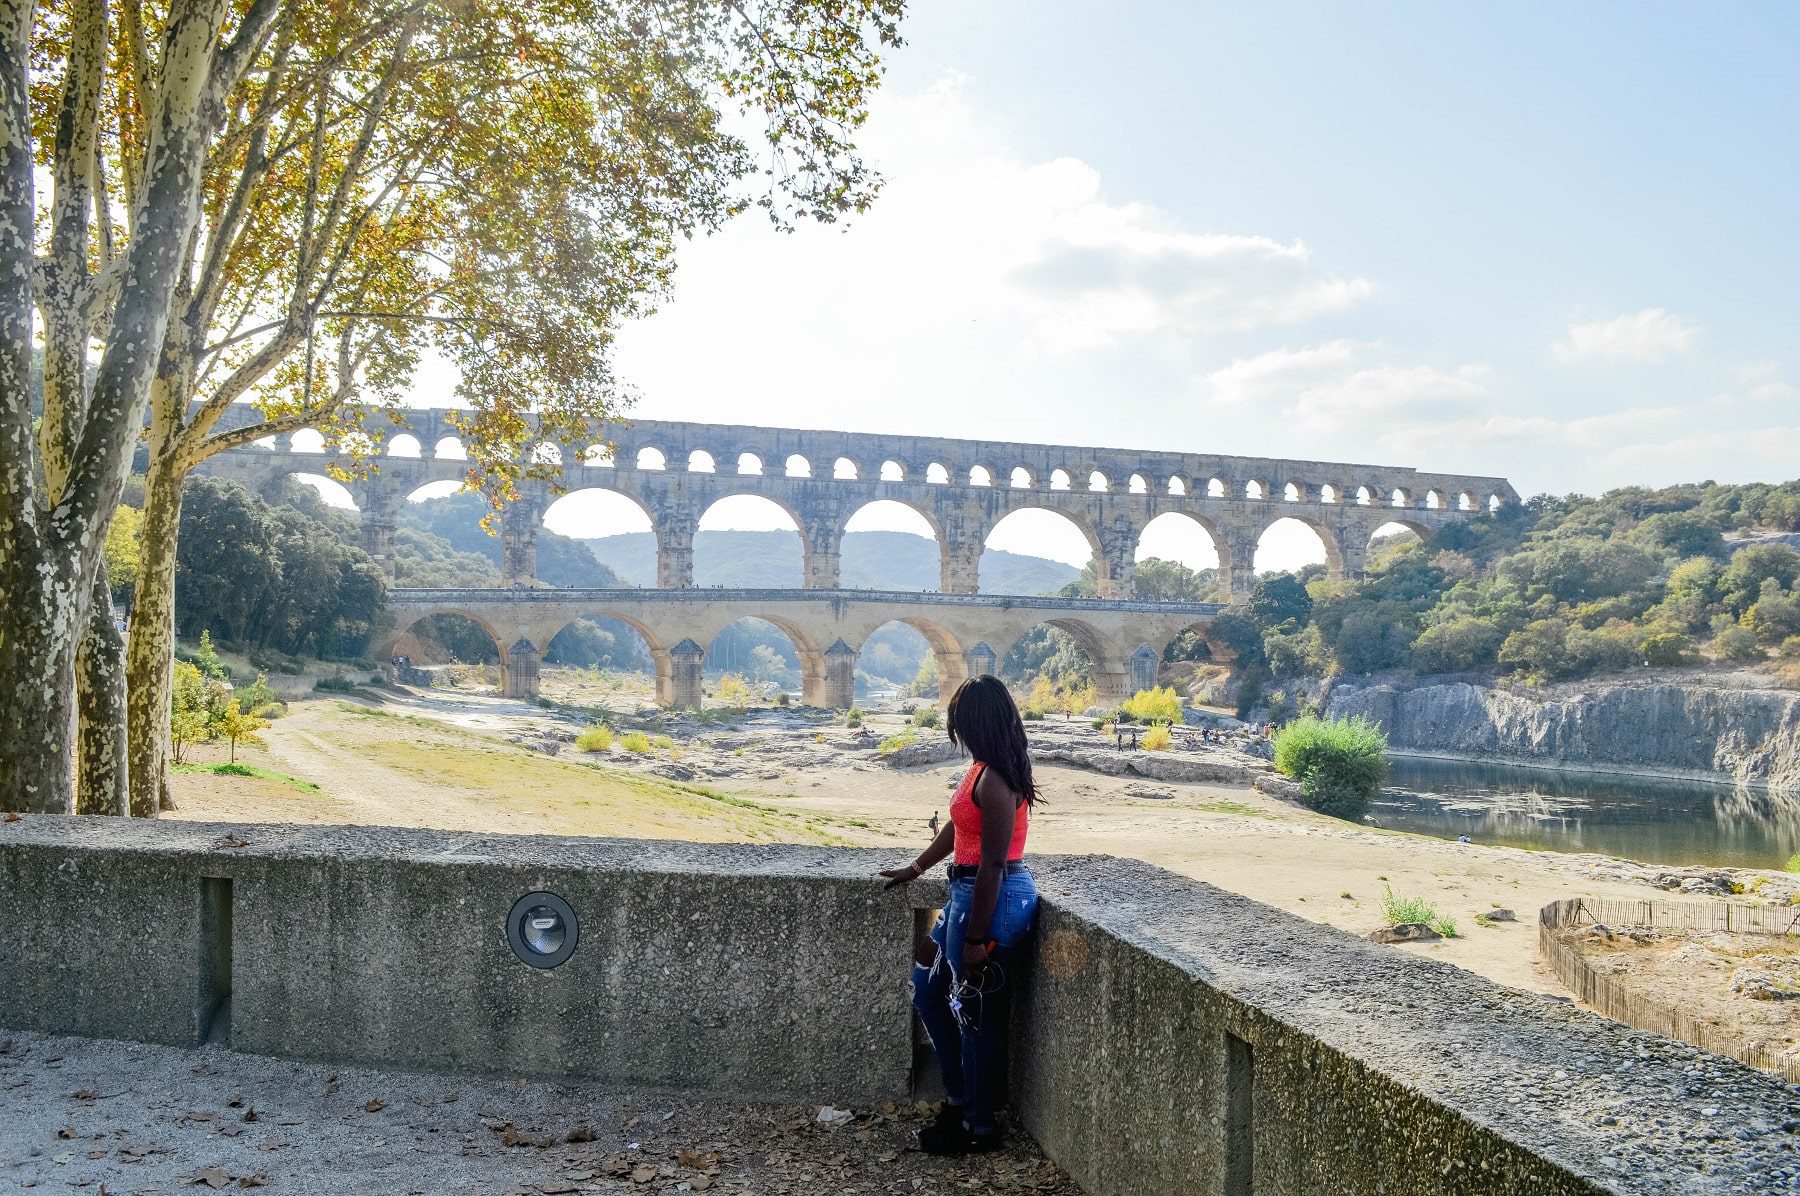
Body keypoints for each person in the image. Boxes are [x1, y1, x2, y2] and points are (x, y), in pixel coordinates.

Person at [879, 675, 1041, 1156]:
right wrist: (917, 867)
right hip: (965, 893)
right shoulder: (980, 771)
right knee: (926, 989)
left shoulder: (997, 780)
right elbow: (958, 825)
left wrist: (973, 941)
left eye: (960, 721)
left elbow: (993, 863)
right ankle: (958, 1099)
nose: (956, 731)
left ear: (976, 723)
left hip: (991, 899)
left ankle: (976, 1126)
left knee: (975, 1015)